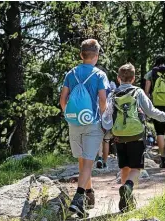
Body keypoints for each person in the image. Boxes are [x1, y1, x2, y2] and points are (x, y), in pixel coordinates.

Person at [114, 63, 165, 212]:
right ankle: (128, 186)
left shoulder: (113, 93)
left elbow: (107, 117)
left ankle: (126, 198)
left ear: (118, 79)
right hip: (136, 135)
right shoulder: (138, 92)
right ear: (134, 78)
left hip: (119, 137)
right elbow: (151, 111)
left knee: (124, 166)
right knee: (135, 168)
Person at [60, 39, 109, 217]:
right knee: (88, 162)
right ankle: (78, 198)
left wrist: (70, 116)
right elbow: (103, 100)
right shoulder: (99, 74)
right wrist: (105, 120)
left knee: (82, 161)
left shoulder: (70, 73)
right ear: (96, 56)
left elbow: (62, 100)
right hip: (92, 122)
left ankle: (89, 193)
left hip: (74, 122)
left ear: (81, 55)